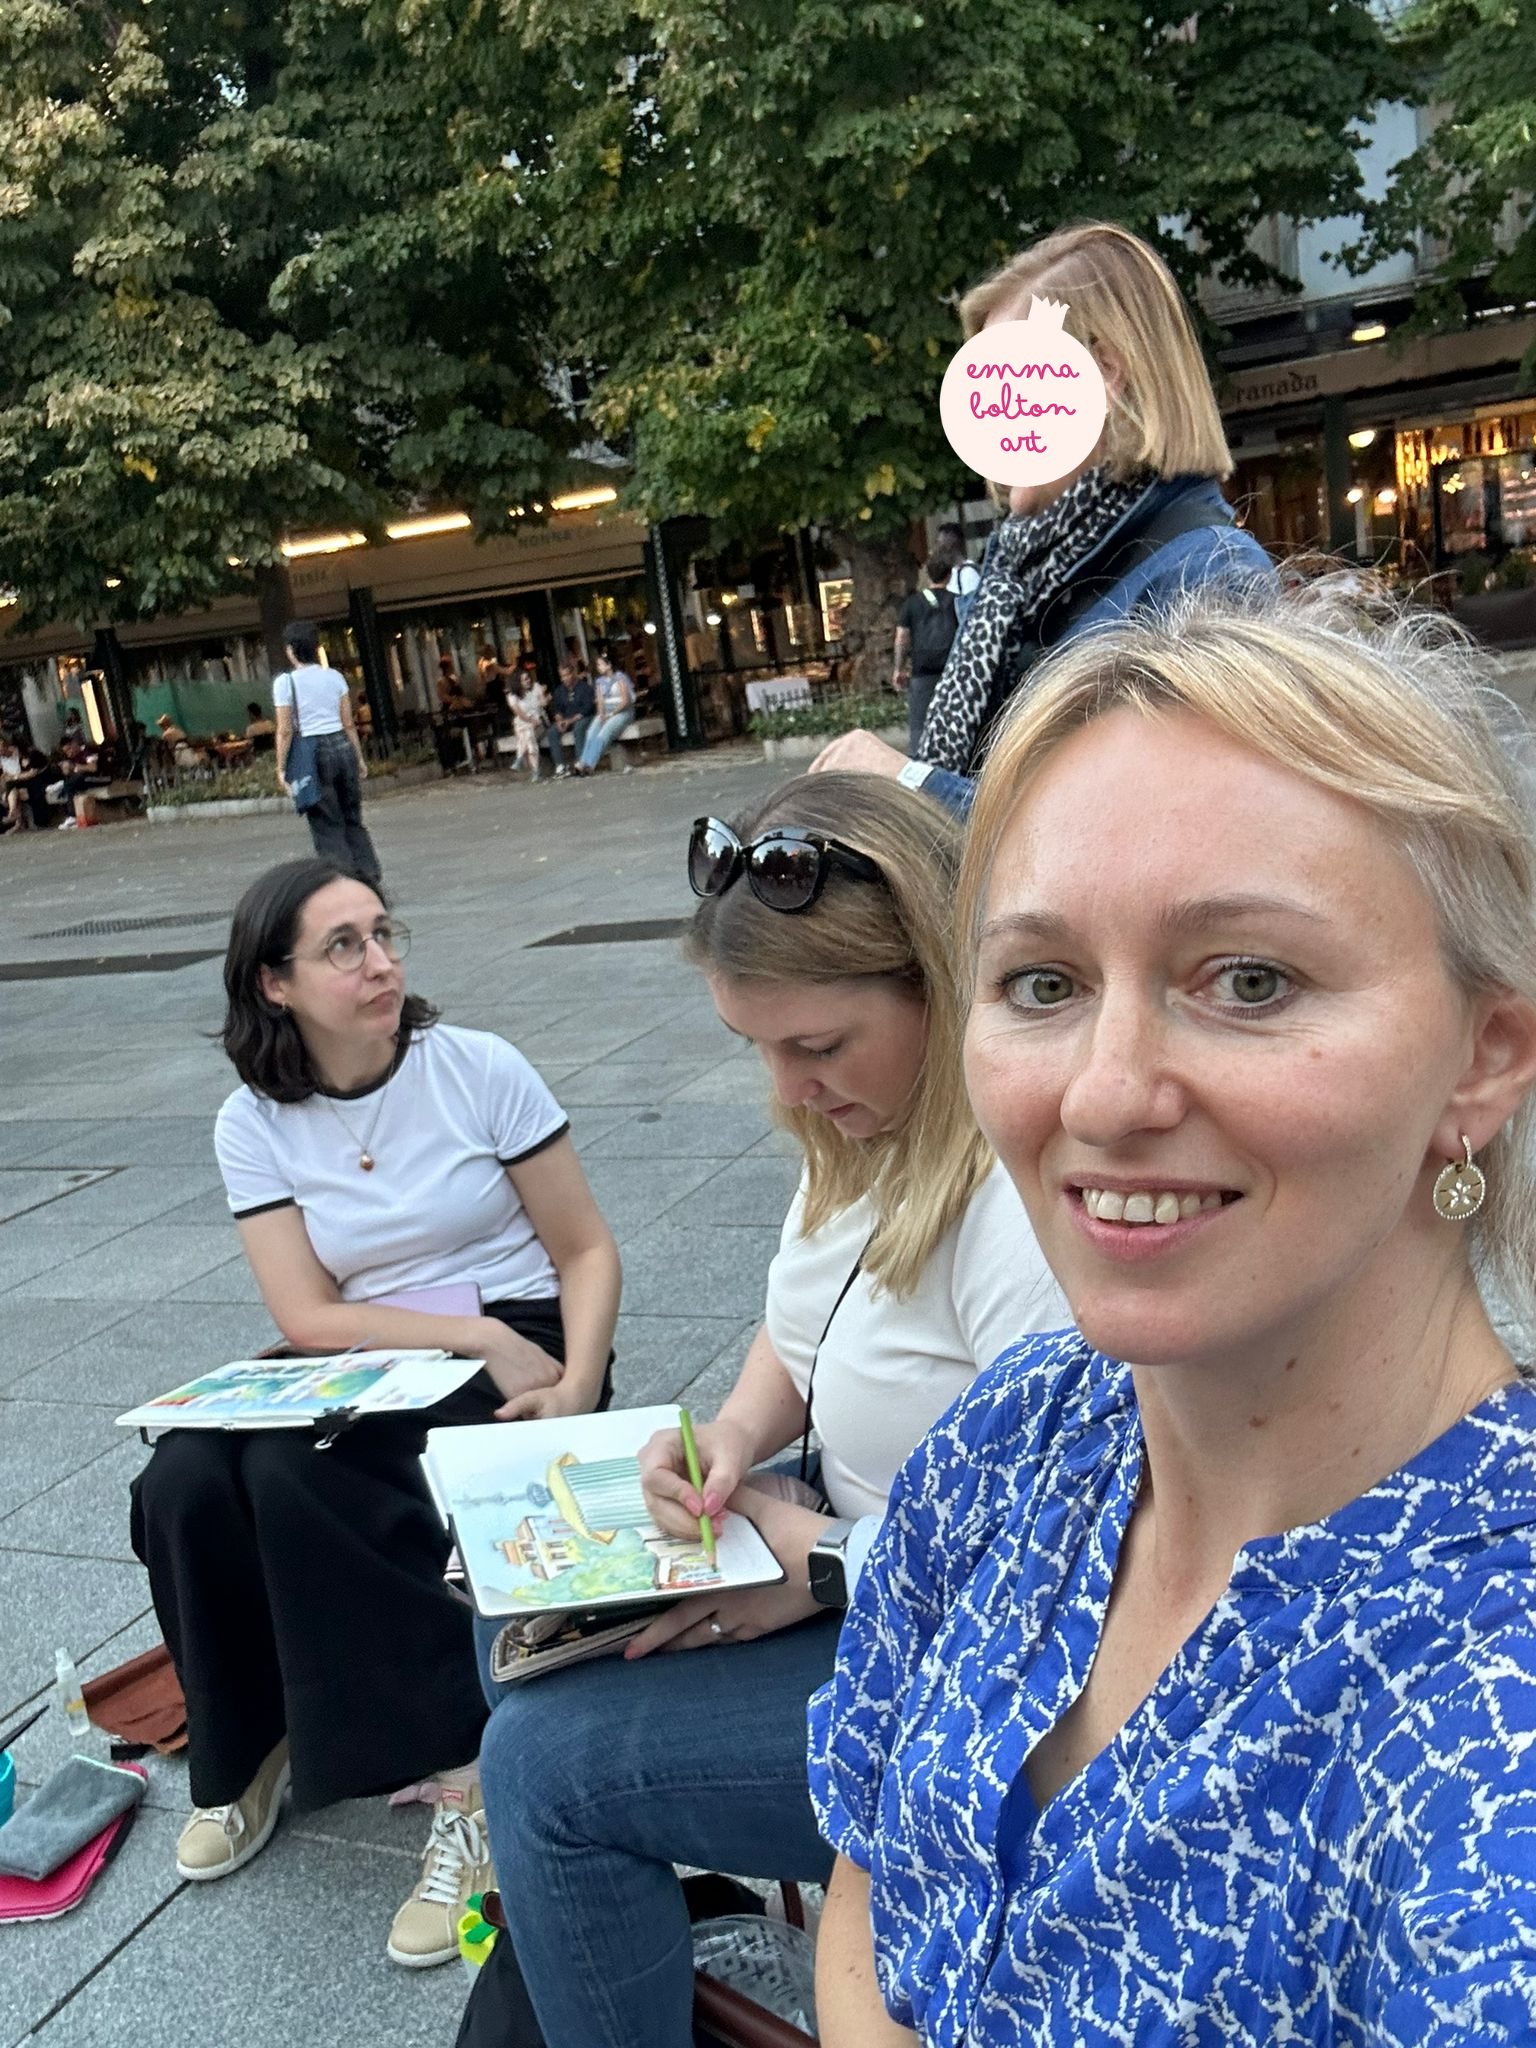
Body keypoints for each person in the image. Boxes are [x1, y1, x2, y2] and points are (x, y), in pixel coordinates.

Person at [809, 579, 1536, 2046]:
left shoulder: (1487, 1734)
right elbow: (876, 1879)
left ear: (1486, 1054)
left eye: (1249, 980)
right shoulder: (1025, 1424)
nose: (1103, 1092)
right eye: (1044, 980)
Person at [473, 773, 1068, 2048]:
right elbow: (796, 1333)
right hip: (848, 1558)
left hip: (964, 1677)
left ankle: (588, 1926)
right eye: (759, 1047)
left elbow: (1071, 1559)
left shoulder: (1023, 1210)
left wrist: (823, 1570)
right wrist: (732, 1436)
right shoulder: (876, 1130)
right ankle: (607, 1929)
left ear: (946, 979)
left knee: (542, 1767)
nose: (790, 1090)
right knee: (522, 1631)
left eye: (815, 1045)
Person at [128, 858, 621, 1966]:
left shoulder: (475, 1068)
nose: (381, 960)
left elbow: (586, 1247)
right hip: (379, 1345)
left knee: (304, 1480)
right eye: (342, 946)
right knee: (185, 1478)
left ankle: (472, 1774)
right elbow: (303, 1309)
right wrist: (460, 1336)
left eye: (383, 932)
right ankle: (248, 1742)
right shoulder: (253, 1118)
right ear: (274, 984)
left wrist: (574, 1377)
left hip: (520, 1325)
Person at [812, 221, 1271, 813]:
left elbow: (1133, 838)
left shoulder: (1207, 576)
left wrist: (907, 785)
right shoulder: (1016, 572)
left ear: (1105, 374)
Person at [273, 619, 381, 885]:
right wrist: (358, 757)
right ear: (316, 647)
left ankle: (343, 879)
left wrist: (281, 767)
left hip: (312, 753)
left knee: (326, 822)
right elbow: (348, 722)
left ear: (290, 650)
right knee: (352, 817)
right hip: (341, 747)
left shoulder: (286, 683)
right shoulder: (335, 677)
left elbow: (285, 730)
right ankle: (369, 874)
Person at [894, 551, 959, 755]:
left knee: (919, 725)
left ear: (927, 575)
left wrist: (898, 668)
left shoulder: (912, 604)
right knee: (954, 719)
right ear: (949, 575)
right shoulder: (959, 601)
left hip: (922, 672)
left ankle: (919, 765)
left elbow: (901, 638)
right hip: (953, 670)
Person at [572, 650, 637, 776]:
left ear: (609, 665)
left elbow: (626, 701)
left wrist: (611, 714)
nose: (599, 667)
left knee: (604, 732)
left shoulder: (620, 678)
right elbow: (600, 701)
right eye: (598, 665)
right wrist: (601, 715)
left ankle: (590, 764)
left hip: (622, 711)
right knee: (591, 732)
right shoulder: (600, 681)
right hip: (606, 712)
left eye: (601, 664)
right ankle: (582, 762)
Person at [544, 660, 595, 778]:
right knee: (552, 731)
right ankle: (561, 766)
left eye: (567, 675)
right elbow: (557, 710)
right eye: (562, 676)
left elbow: (587, 709)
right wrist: (560, 721)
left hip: (584, 718)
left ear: (574, 673)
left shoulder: (585, 688)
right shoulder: (559, 691)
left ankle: (580, 763)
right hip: (566, 720)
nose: (565, 679)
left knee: (579, 728)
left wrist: (569, 721)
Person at [934, 520, 981, 631]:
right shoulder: (949, 572)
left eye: (940, 542)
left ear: (952, 542)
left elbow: (972, 609)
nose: (937, 547)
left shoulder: (969, 573)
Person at [509, 671, 547, 777]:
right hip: (523, 724)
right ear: (518, 682)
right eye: (525, 679)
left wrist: (542, 697)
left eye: (528, 678)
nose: (528, 681)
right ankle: (535, 770)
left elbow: (543, 704)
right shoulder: (512, 697)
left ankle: (520, 758)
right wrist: (531, 721)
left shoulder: (534, 689)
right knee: (529, 736)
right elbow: (520, 714)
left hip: (536, 723)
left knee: (529, 734)